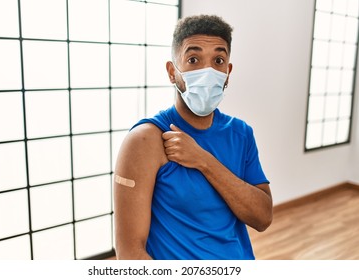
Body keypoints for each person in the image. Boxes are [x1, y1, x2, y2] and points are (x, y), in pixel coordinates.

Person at [114, 14, 273, 260]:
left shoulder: (241, 133)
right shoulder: (145, 140)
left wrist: (203, 160)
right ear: (171, 71)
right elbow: (130, 253)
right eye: (193, 59)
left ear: (228, 72)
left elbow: (262, 218)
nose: (207, 71)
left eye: (218, 60)